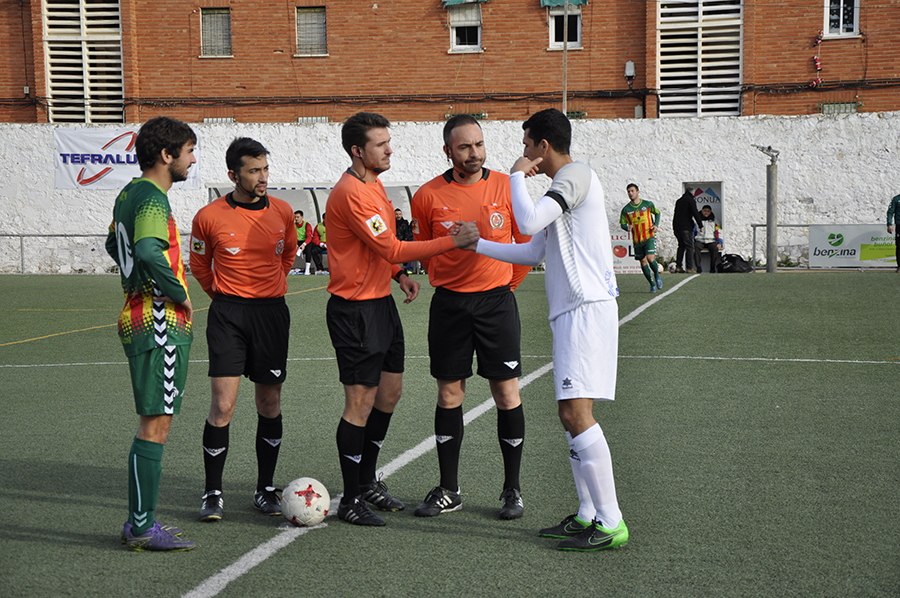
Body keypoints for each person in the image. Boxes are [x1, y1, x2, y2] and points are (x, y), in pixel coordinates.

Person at [463, 108, 627, 552]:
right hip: (574, 312)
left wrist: (516, 176)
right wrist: (477, 244)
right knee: (569, 414)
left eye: (526, 145)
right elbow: (533, 250)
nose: (523, 153)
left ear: (543, 146)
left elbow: (528, 221)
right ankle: (588, 514)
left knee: (577, 414)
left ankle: (611, 521)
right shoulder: (562, 189)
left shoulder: (575, 175)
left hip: (585, 311)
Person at [325, 112, 479, 526]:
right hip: (355, 311)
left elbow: (379, 251)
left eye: (388, 142)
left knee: (389, 394)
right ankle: (350, 499)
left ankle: (366, 480)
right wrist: (453, 241)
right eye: (381, 144)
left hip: (380, 305)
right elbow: (391, 247)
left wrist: (397, 276)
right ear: (357, 151)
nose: (390, 149)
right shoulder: (352, 193)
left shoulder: (373, 184)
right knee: (359, 404)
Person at [410, 114, 532, 520]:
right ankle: (449, 489)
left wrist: (505, 287)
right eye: (464, 147)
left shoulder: (506, 187)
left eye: (479, 144)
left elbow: (526, 246)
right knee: (449, 395)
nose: (474, 153)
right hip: (450, 306)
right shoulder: (427, 195)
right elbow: (424, 250)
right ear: (448, 151)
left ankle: (512, 490)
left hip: (497, 304)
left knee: (507, 394)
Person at [189, 137, 298, 522]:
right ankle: (212, 492)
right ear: (234, 175)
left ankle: (265, 489)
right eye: (254, 171)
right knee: (222, 405)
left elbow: (288, 254)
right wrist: (223, 296)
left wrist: (272, 284)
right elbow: (200, 265)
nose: (263, 177)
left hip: (271, 315)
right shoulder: (208, 216)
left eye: (265, 169)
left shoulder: (283, 211)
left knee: (269, 403)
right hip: (228, 315)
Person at [105, 116, 197, 551]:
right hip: (159, 319)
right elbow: (146, 249)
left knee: (154, 421)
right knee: (156, 424)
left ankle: (140, 522)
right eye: (189, 151)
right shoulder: (153, 198)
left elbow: (115, 244)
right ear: (166, 154)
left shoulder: (128, 193)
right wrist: (178, 292)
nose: (192, 160)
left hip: (138, 313)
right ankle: (141, 527)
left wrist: (134, 281)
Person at [619, 183, 663, 292]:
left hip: (649, 236)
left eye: (632, 191)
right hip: (637, 240)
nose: (630, 193)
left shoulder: (648, 204)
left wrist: (656, 225)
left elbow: (657, 213)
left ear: (638, 192)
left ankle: (657, 275)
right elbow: (622, 224)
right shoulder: (626, 209)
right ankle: (652, 284)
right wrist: (627, 227)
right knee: (643, 262)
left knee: (650, 258)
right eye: (628, 191)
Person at [672, 187, 704, 273]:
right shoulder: (691, 200)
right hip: (686, 227)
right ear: (693, 193)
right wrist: (700, 225)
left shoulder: (679, 201)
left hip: (676, 227)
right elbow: (695, 213)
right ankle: (689, 268)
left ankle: (678, 266)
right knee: (690, 246)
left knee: (681, 246)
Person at [694, 204, 723, 273]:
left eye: (708, 211)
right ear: (702, 211)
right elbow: (693, 232)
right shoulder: (696, 220)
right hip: (700, 240)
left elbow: (718, 231)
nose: (706, 212)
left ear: (710, 212)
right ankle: (698, 267)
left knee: (714, 248)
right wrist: (692, 241)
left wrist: (719, 242)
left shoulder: (714, 220)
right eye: (705, 211)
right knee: (696, 247)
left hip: (711, 240)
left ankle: (712, 268)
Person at [294, 210, 321, 275]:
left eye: (298, 217)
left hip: (305, 241)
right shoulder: (293, 225)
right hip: (296, 241)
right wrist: (295, 244)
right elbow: (291, 236)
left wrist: (303, 244)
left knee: (308, 249)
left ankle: (307, 269)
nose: (296, 219)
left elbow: (309, 237)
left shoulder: (307, 225)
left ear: (302, 217)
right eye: (295, 217)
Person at [887, 193, 900, 272]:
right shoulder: (896, 199)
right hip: (899, 225)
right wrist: (889, 224)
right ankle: (899, 266)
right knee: (899, 246)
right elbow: (890, 212)